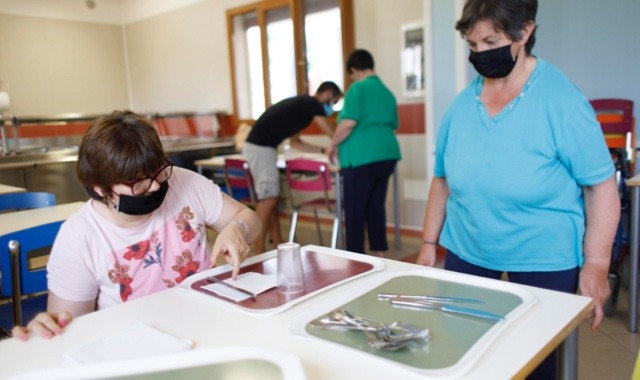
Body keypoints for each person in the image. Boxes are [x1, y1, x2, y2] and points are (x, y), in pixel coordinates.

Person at [416, 1, 619, 378]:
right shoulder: (461, 107)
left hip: (544, 254)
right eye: (472, 45)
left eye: (490, 41)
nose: (480, 54)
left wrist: (596, 264)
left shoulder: (563, 102)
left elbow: (601, 187)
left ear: (524, 32)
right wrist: (429, 244)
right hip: (468, 247)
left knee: (535, 363)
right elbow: (442, 179)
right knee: (466, 353)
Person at [12, 110, 261, 341]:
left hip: (210, 326)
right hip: (136, 346)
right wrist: (49, 330)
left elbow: (247, 217)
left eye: (158, 172)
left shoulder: (186, 183)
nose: (153, 186)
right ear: (99, 186)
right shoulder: (80, 237)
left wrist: (237, 228)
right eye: (135, 182)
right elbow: (71, 332)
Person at [243, 81, 343, 254]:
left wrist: (323, 150)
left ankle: (276, 242)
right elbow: (330, 132)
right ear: (327, 94)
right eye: (333, 102)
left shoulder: (303, 111)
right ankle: (258, 251)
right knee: (269, 199)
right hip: (261, 147)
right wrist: (339, 141)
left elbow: (295, 143)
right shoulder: (310, 103)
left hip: (263, 147)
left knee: (271, 198)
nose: (332, 108)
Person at [327, 49, 401, 257]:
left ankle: (355, 258)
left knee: (355, 210)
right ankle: (379, 253)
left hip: (361, 159)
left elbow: (348, 122)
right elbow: (393, 125)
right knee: (375, 205)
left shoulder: (357, 88)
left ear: (354, 70)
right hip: (387, 156)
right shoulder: (387, 92)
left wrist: (333, 144)